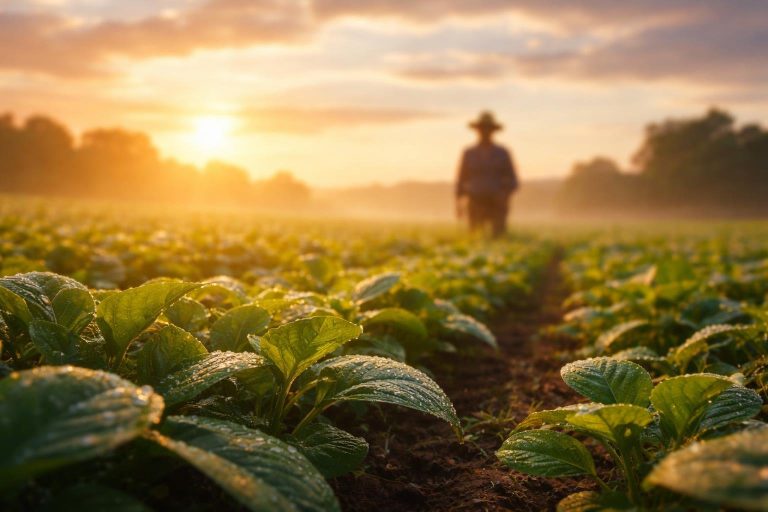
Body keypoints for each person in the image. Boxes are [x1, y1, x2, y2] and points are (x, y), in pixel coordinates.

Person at [456, 111, 519, 238]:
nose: (485, 132)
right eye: (482, 129)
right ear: (477, 130)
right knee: (475, 235)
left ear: (493, 131)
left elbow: (513, 180)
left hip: (496, 202)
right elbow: (461, 179)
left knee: (498, 236)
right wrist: (459, 203)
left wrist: (504, 195)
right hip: (475, 200)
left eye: (488, 129)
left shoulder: (502, 153)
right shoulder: (469, 153)